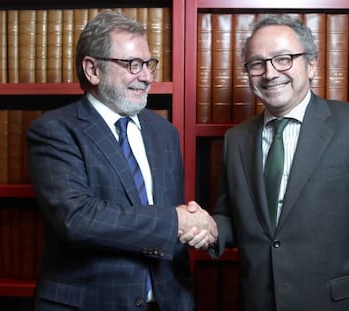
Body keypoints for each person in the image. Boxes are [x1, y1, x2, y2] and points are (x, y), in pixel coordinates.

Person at [204, 14, 349, 311]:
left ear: (311, 64)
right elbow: (230, 216)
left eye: (283, 59)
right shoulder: (236, 139)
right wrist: (205, 226)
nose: (270, 73)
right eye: (257, 63)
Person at [27, 11, 216, 311]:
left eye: (149, 64)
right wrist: (177, 221)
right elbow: (77, 218)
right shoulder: (54, 131)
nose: (147, 76)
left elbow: (173, 229)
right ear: (92, 70)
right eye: (133, 65)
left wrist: (203, 229)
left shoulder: (165, 133)